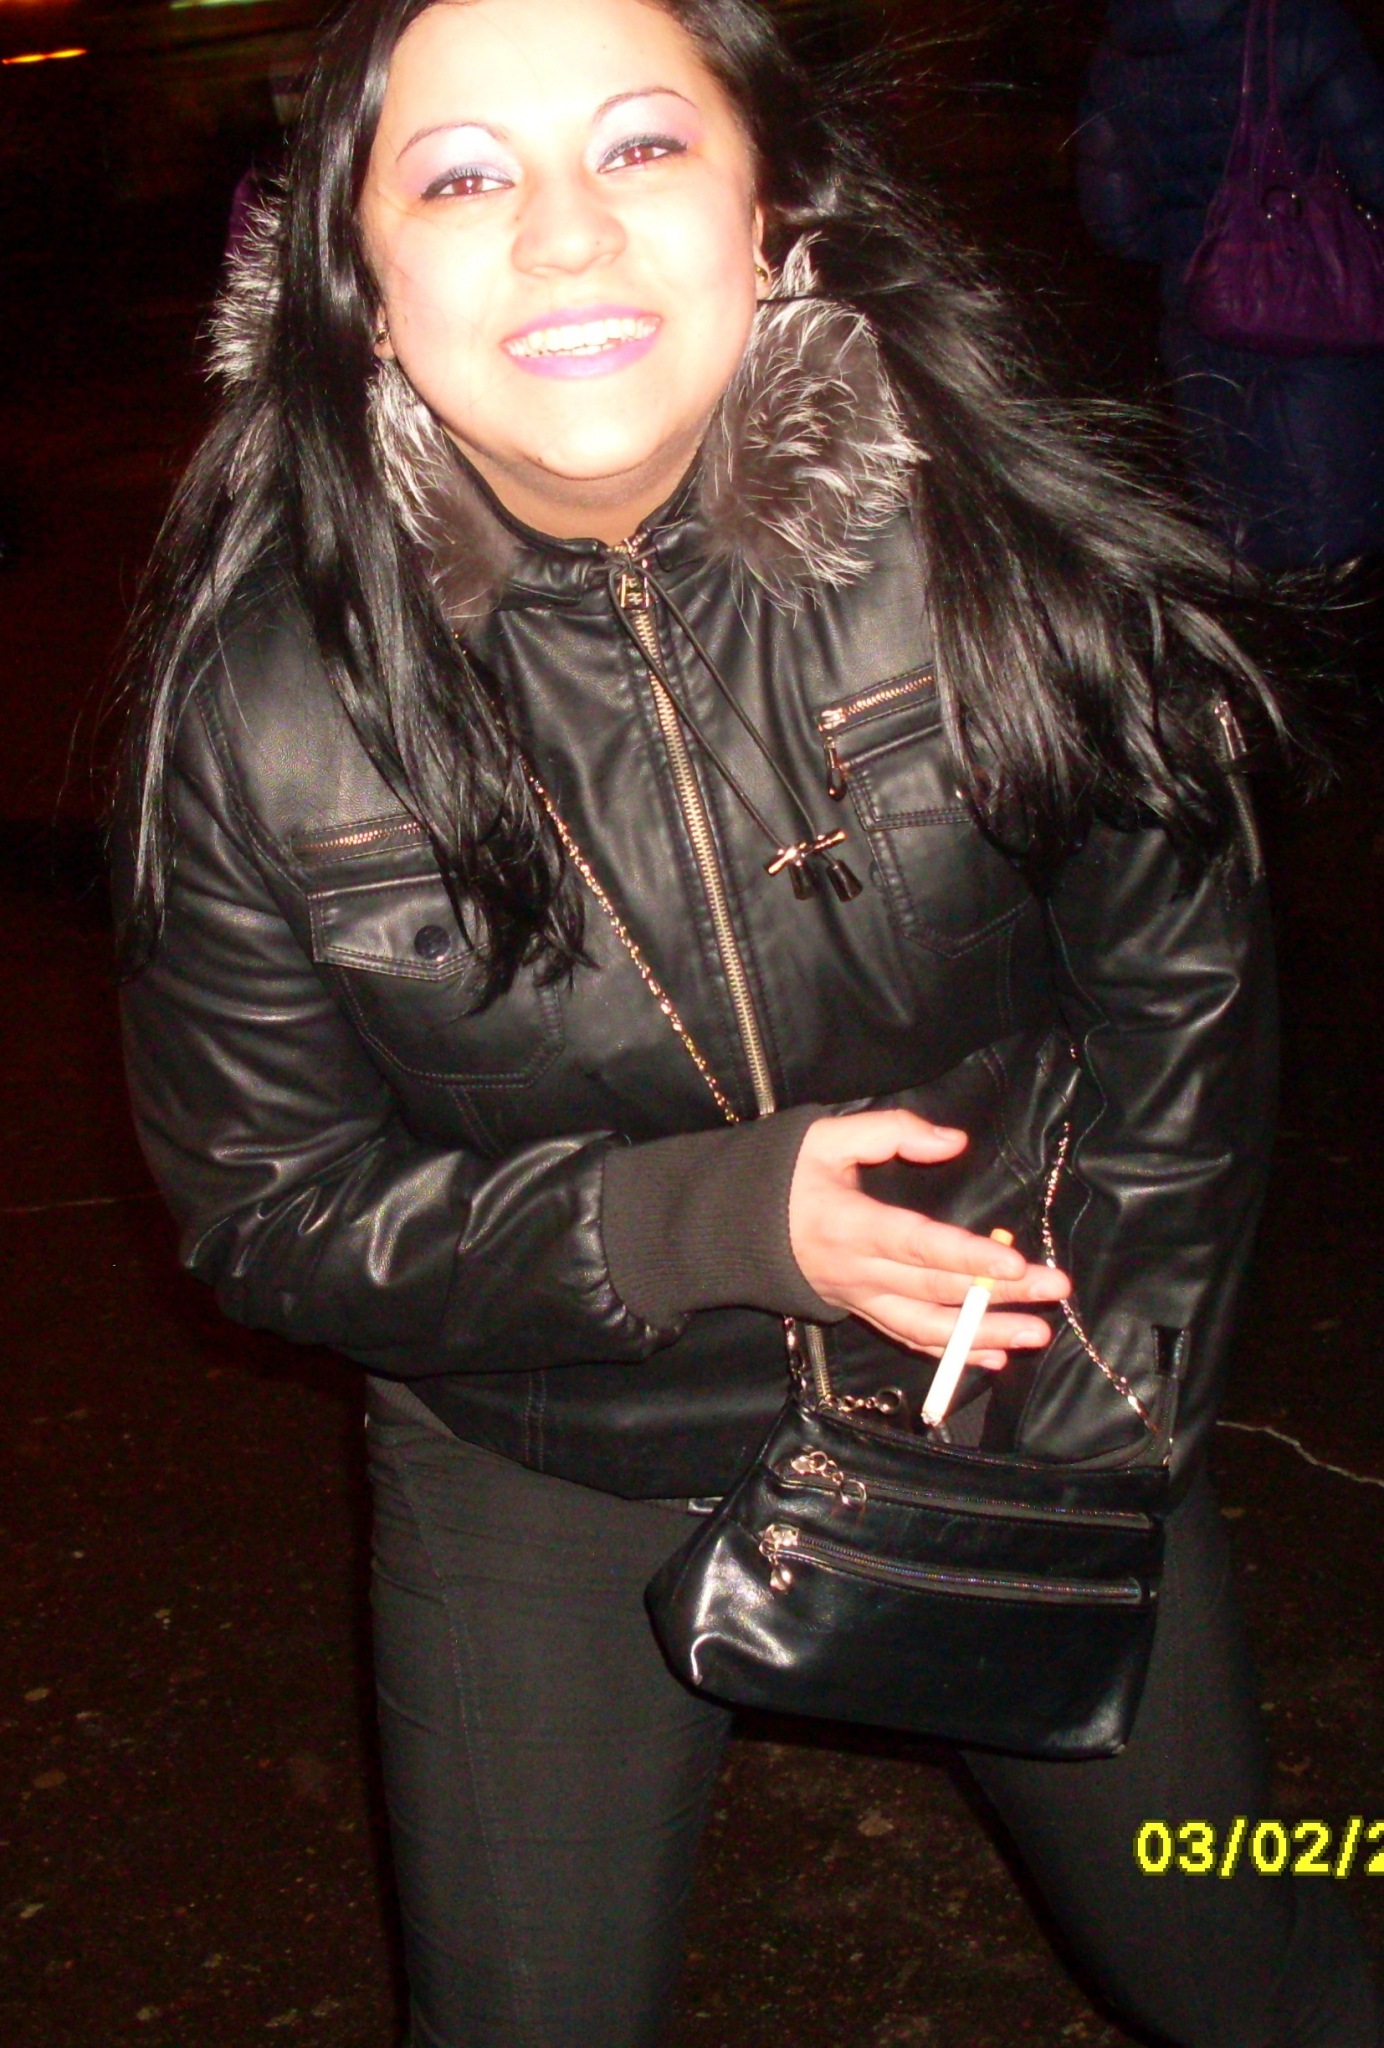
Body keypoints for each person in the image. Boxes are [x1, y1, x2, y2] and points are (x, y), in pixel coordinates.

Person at [114, 0, 1379, 2042]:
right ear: (355, 287)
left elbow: (1180, 997)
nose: (563, 233)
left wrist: (1099, 1406)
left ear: (769, 203)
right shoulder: (263, 715)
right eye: (460, 175)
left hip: (1012, 1389)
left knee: (1249, 1940)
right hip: (542, 1455)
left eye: (638, 145)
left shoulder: (986, 551)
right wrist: (703, 1220)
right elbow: (268, 1205)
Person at [1079, 0, 1384, 571]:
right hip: (1319, 316)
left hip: (1198, 323)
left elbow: (1117, 224)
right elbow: (1375, 165)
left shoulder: (1117, 54)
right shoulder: (1300, 23)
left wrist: (1199, 247)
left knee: (1242, 540)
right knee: (1341, 546)